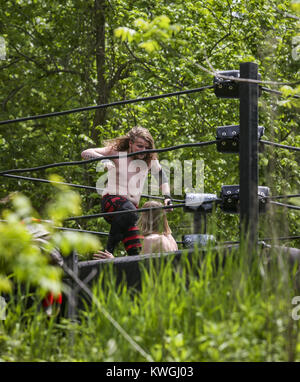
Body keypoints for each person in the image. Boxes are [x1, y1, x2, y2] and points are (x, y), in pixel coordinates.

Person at [81, 126, 172, 257]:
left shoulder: (149, 159)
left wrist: (167, 197)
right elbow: (86, 152)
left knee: (135, 253)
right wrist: (104, 159)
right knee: (129, 211)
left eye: (147, 148)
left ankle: (114, 262)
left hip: (131, 212)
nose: (143, 150)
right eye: (140, 146)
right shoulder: (117, 152)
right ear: (131, 143)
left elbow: (161, 176)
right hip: (112, 202)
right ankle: (109, 250)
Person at [93, 200, 178, 259]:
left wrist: (113, 260)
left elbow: (138, 268)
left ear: (145, 218)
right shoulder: (171, 239)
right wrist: (163, 211)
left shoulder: (151, 239)